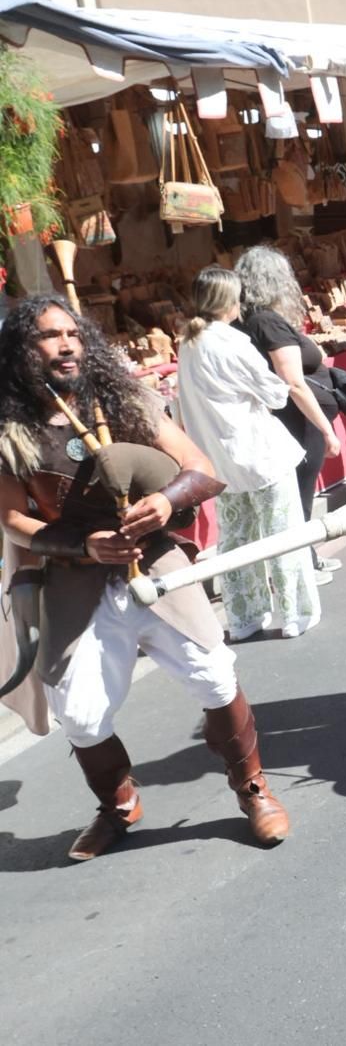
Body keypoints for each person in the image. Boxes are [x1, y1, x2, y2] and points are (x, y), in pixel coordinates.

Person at [0, 293, 291, 860]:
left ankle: (253, 788)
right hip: (76, 579)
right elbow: (12, 518)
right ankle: (118, 805)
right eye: (48, 336)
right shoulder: (10, 430)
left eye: (72, 334)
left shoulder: (125, 399)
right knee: (81, 716)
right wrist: (81, 544)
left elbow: (200, 469)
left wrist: (164, 500)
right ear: (20, 351)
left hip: (155, 562)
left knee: (214, 675)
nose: (65, 345)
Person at [175, 267, 319, 641]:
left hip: (218, 461)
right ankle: (295, 613)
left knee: (236, 540)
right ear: (228, 301)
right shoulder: (230, 342)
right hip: (258, 453)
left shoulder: (188, 343)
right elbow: (275, 392)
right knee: (282, 534)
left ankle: (245, 617)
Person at [236, 245, 342, 584]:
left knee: (298, 494)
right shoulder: (268, 322)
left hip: (287, 418)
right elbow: (293, 382)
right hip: (295, 419)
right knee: (299, 493)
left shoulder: (251, 320)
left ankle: (306, 556)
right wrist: (326, 428)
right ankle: (300, 566)